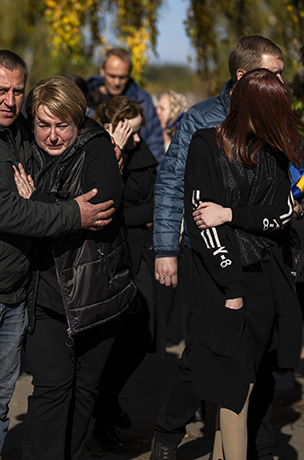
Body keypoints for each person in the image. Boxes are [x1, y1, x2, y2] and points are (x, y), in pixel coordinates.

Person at [0, 49, 115, 460]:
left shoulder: (16, 128)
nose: (10, 100)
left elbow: (62, 125)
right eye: (0, 91)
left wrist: (101, 141)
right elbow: (2, 211)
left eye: (17, 91)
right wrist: (73, 214)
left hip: (12, 293)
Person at [150, 35, 304, 460]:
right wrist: (166, 247)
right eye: (272, 75)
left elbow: (292, 189)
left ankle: (259, 443)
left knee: (255, 364)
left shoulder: (275, 125)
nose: (281, 83)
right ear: (245, 78)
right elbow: (176, 190)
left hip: (264, 258)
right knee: (206, 355)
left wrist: (291, 203)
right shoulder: (202, 126)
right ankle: (168, 432)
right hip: (212, 259)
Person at [184, 68, 304, 460]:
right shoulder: (204, 145)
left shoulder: (273, 153)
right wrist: (232, 288)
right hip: (224, 284)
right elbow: (203, 227)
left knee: (248, 383)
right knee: (232, 387)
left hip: (265, 281)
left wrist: (231, 214)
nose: (279, 120)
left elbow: (283, 214)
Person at [10, 77, 135, 459]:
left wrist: (38, 202)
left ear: (78, 122)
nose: (51, 136)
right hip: (44, 294)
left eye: (61, 125)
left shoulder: (96, 149)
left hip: (96, 293)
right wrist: (68, 210)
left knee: (85, 388)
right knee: (51, 387)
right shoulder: (23, 149)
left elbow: (102, 208)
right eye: (43, 125)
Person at [91, 95, 165, 451]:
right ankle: (101, 414)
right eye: (131, 133)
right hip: (115, 255)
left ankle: (108, 401)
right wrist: (114, 154)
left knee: (141, 335)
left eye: (139, 132)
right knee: (114, 341)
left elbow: (156, 200)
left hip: (140, 254)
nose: (138, 140)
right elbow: (108, 204)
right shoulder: (103, 156)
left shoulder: (141, 155)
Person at [86, 48, 165, 164]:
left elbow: (155, 143)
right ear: (102, 69)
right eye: (112, 76)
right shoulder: (85, 97)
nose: (117, 82)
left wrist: (154, 177)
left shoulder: (142, 100)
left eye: (122, 77)